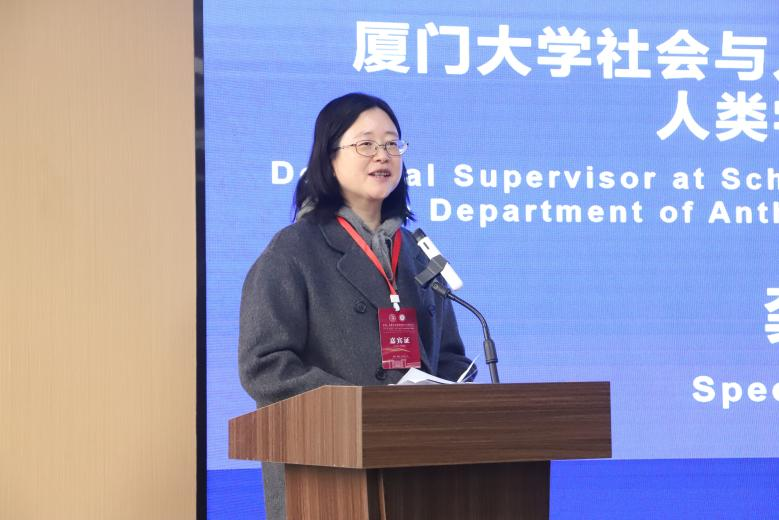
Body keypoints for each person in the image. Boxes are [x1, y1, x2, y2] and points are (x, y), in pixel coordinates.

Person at [238, 92, 473, 520]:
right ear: (328, 159)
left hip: (418, 471)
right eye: (366, 144)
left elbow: (450, 355)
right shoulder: (293, 250)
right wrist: (362, 408)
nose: (382, 155)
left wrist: (448, 399)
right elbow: (264, 367)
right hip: (326, 474)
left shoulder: (417, 252)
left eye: (392, 143)